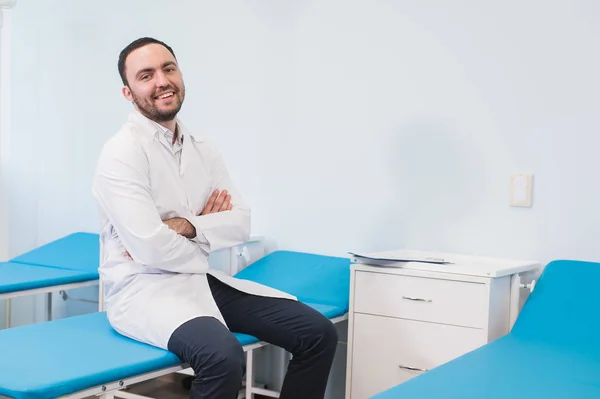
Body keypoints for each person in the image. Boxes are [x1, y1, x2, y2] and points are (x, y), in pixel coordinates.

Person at [92, 37, 338, 399]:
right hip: (144, 290)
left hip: (199, 280)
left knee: (318, 333)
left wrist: (186, 225)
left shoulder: (202, 147)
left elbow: (240, 222)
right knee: (222, 357)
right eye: (146, 75)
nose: (162, 81)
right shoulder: (121, 153)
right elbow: (150, 251)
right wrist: (203, 230)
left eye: (168, 68)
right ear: (128, 93)